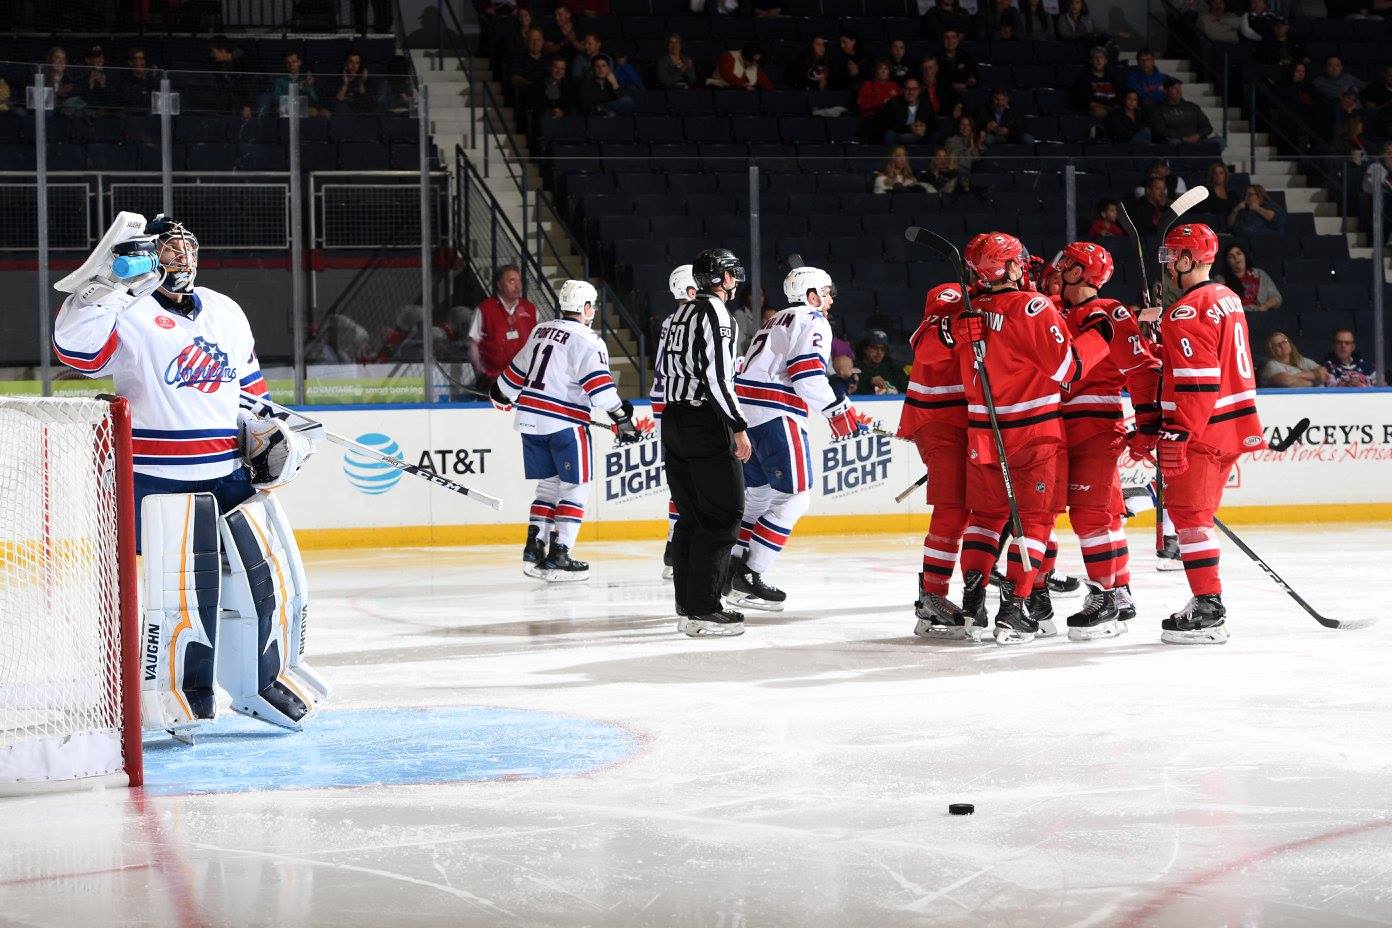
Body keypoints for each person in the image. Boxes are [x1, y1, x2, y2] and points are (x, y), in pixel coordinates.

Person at [53, 211, 327, 733]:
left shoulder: (225, 310)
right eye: (168, 247)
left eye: (186, 245)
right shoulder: (125, 311)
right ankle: (174, 693)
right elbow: (79, 353)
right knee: (181, 595)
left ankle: (263, 681)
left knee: (270, 578)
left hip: (228, 474)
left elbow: (248, 391)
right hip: (159, 477)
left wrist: (274, 433)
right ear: (147, 256)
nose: (181, 255)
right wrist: (105, 288)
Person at [954, 232, 1113, 644]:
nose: (1025, 266)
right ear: (1006, 267)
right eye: (1017, 261)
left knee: (986, 520)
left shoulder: (970, 310)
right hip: (1032, 433)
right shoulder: (1032, 305)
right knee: (1036, 521)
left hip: (983, 431)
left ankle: (972, 609)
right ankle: (1014, 610)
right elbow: (1069, 368)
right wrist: (1103, 333)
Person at [1129, 223, 1263, 644]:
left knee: (1190, 522)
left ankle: (1208, 609)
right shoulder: (1226, 298)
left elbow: (1198, 380)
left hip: (1201, 431)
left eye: (1173, 257)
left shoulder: (1187, 311)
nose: (1169, 266)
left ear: (1189, 259)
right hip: (1231, 427)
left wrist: (1179, 433)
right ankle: (1206, 602)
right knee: (1196, 518)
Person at [728, 267, 867, 611]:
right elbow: (806, 377)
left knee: (758, 497)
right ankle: (749, 573)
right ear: (811, 295)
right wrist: (837, 408)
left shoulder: (775, 320)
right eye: (826, 292)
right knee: (796, 499)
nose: (830, 299)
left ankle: (728, 569)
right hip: (777, 415)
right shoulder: (812, 319)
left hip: (749, 414)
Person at [491, 280, 641, 582]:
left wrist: (500, 394)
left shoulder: (540, 330)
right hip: (565, 426)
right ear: (586, 308)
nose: (594, 311)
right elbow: (600, 390)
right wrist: (622, 418)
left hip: (531, 423)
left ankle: (534, 549)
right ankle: (560, 553)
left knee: (547, 487)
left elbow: (510, 379)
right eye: (593, 306)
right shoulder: (588, 339)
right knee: (576, 487)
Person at [1054, 242, 1160, 639]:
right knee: (1106, 514)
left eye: (1067, 265)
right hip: (1066, 425)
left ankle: (1102, 597)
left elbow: (1142, 368)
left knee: (1089, 516)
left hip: (1095, 426)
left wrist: (1148, 422)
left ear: (1081, 273)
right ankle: (1120, 591)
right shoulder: (1064, 311)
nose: (1059, 269)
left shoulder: (1108, 312)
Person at [658, 248, 753, 638]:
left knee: (691, 516)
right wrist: (737, 424)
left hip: (675, 419)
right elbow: (717, 378)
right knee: (724, 514)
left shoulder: (679, 311)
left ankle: (688, 604)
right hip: (703, 420)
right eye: (731, 273)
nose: (736, 279)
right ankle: (705, 609)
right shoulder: (715, 312)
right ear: (722, 277)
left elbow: (667, 370)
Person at [898, 283, 971, 637]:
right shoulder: (950, 301)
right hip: (939, 421)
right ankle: (932, 596)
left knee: (985, 510)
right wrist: (962, 318)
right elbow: (927, 347)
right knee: (953, 509)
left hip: (973, 423)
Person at [653, 265, 698, 579]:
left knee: (680, 482)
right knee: (698, 481)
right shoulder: (696, 319)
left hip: (664, 403)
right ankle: (684, 547)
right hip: (685, 404)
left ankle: (673, 545)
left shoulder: (671, 320)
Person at [469, 265, 539, 391]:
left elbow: (538, 343)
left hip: (525, 381)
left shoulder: (531, 309)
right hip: (494, 381)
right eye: (512, 281)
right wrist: (480, 374)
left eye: (519, 281)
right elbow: (473, 345)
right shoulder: (484, 309)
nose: (518, 286)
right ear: (499, 285)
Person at [1220, 244, 1281, 312]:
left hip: (1260, 315)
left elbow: (1276, 298)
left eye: (1239, 253)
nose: (1236, 258)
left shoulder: (1259, 274)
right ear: (1227, 262)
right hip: (1235, 317)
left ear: (1244, 256)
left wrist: (1264, 306)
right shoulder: (1220, 280)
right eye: (1231, 257)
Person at [1150, 78, 1213, 144]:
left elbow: (1207, 127)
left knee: (1218, 141)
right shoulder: (1158, 109)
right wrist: (1183, 138)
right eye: (1174, 88)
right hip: (1176, 141)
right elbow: (1160, 131)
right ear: (1166, 91)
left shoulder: (1192, 107)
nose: (1178, 90)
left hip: (1196, 141)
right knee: (1173, 142)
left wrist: (1197, 135)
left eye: (1179, 87)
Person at [1071, 46, 1126, 119]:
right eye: (1095, 58)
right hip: (1098, 111)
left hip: (1114, 111)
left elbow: (1121, 96)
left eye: (1101, 57)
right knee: (1099, 112)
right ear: (1091, 61)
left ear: (1106, 61)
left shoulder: (1113, 79)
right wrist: (1109, 108)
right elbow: (1088, 103)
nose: (1098, 60)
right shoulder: (1083, 79)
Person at [1260, 331, 1328, 387]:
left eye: (1284, 341)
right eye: (1278, 345)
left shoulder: (1301, 360)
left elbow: (1324, 373)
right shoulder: (1272, 365)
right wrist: (1316, 381)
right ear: (1272, 350)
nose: (1282, 345)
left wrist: (1299, 375)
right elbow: (1287, 381)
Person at [879, 78, 934, 145]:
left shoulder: (926, 105)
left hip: (920, 136)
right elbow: (885, 125)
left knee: (934, 134)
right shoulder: (893, 103)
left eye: (914, 89)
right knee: (889, 134)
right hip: (899, 135)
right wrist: (909, 128)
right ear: (903, 90)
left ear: (919, 90)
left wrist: (925, 129)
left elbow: (934, 124)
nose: (911, 92)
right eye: (908, 89)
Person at [708, 43, 774, 91]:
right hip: (720, 87)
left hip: (740, 90)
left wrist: (771, 90)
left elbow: (763, 80)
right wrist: (744, 85)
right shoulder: (729, 56)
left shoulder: (755, 64)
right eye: (752, 61)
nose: (754, 64)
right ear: (744, 57)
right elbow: (727, 75)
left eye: (756, 61)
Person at [334, 48, 375, 113]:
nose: (354, 66)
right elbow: (337, 102)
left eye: (357, 63)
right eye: (351, 62)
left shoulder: (365, 81)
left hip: (360, 115)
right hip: (342, 117)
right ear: (345, 64)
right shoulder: (336, 79)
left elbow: (369, 104)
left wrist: (361, 83)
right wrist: (345, 84)